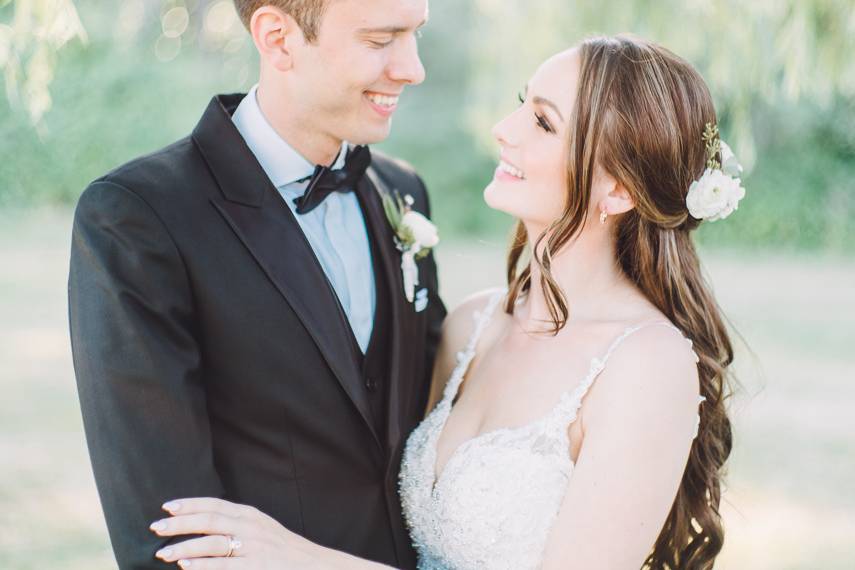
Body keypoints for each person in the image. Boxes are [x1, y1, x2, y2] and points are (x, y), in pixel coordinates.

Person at [150, 35, 738, 570]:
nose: (505, 129)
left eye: (542, 122)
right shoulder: (472, 326)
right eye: (520, 103)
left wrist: (301, 561)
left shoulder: (646, 365)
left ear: (619, 188)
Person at [68, 0, 444, 569]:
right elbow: (171, 538)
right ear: (277, 37)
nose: (413, 68)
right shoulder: (138, 219)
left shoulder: (403, 191)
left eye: (414, 35)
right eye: (380, 40)